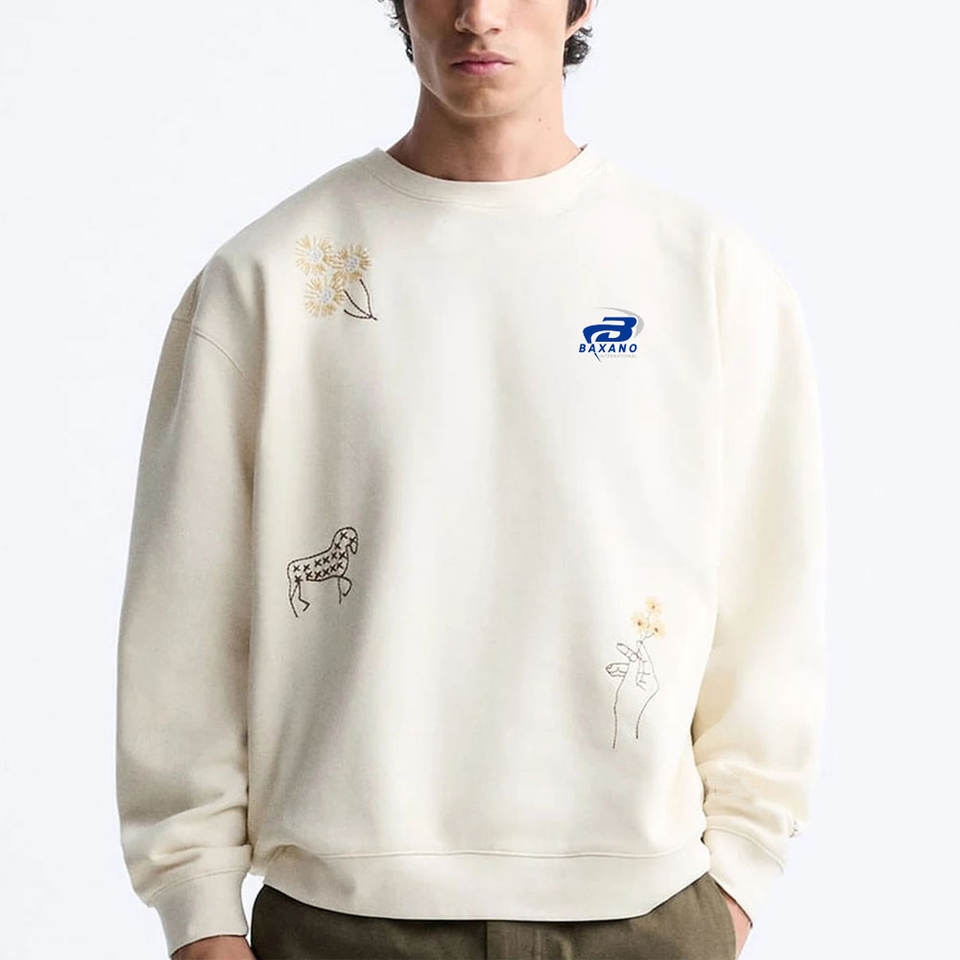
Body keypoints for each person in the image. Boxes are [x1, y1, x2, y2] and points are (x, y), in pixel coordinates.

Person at [114, 1, 827, 958]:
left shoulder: (706, 276)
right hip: (343, 921)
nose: (478, 15)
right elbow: (185, 617)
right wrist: (198, 911)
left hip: (648, 912)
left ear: (579, 4)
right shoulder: (272, 277)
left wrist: (740, 872)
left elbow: (772, 599)